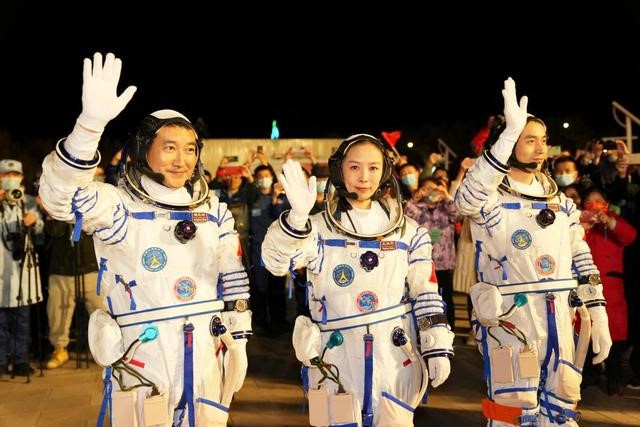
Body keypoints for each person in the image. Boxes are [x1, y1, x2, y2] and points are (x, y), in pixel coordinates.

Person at [39, 53, 250, 426]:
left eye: (189, 149)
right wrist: (88, 128)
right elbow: (60, 199)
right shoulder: (118, 206)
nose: (181, 160)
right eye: (169, 147)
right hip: (144, 353)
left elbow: (232, 270)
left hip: (205, 349)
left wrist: (240, 337)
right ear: (142, 149)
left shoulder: (212, 209)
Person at [262, 134, 454, 426]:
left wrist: (436, 345)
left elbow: (425, 293)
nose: (364, 177)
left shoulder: (409, 232)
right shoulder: (317, 229)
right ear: (340, 170)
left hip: (394, 356)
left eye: (374, 168)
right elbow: (276, 264)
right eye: (354, 167)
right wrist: (298, 219)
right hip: (335, 356)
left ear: (385, 172)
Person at [456, 78, 612, 426]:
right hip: (512, 320)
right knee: (514, 411)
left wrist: (597, 310)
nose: (540, 147)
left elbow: (581, 257)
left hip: (559, 317)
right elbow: (465, 199)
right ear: (508, 144)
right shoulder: (492, 198)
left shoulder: (560, 202)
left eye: (543, 140)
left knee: (562, 408)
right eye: (529, 140)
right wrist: (508, 135)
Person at [0, 159, 44, 377]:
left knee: (22, 319)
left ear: (21, 177)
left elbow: (41, 232)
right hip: (1, 270)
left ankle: (20, 360)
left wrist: (34, 220)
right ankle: (1, 360)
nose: (11, 179)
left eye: (15, 175)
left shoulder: (28, 201)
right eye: (6, 175)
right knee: (1, 321)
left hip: (22, 272)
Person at [44, 219, 104, 369]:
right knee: (58, 313)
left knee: (102, 312)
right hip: (62, 268)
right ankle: (59, 349)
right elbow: (55, 230)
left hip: (90, 265)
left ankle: (107, 349)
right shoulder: (56, 204)